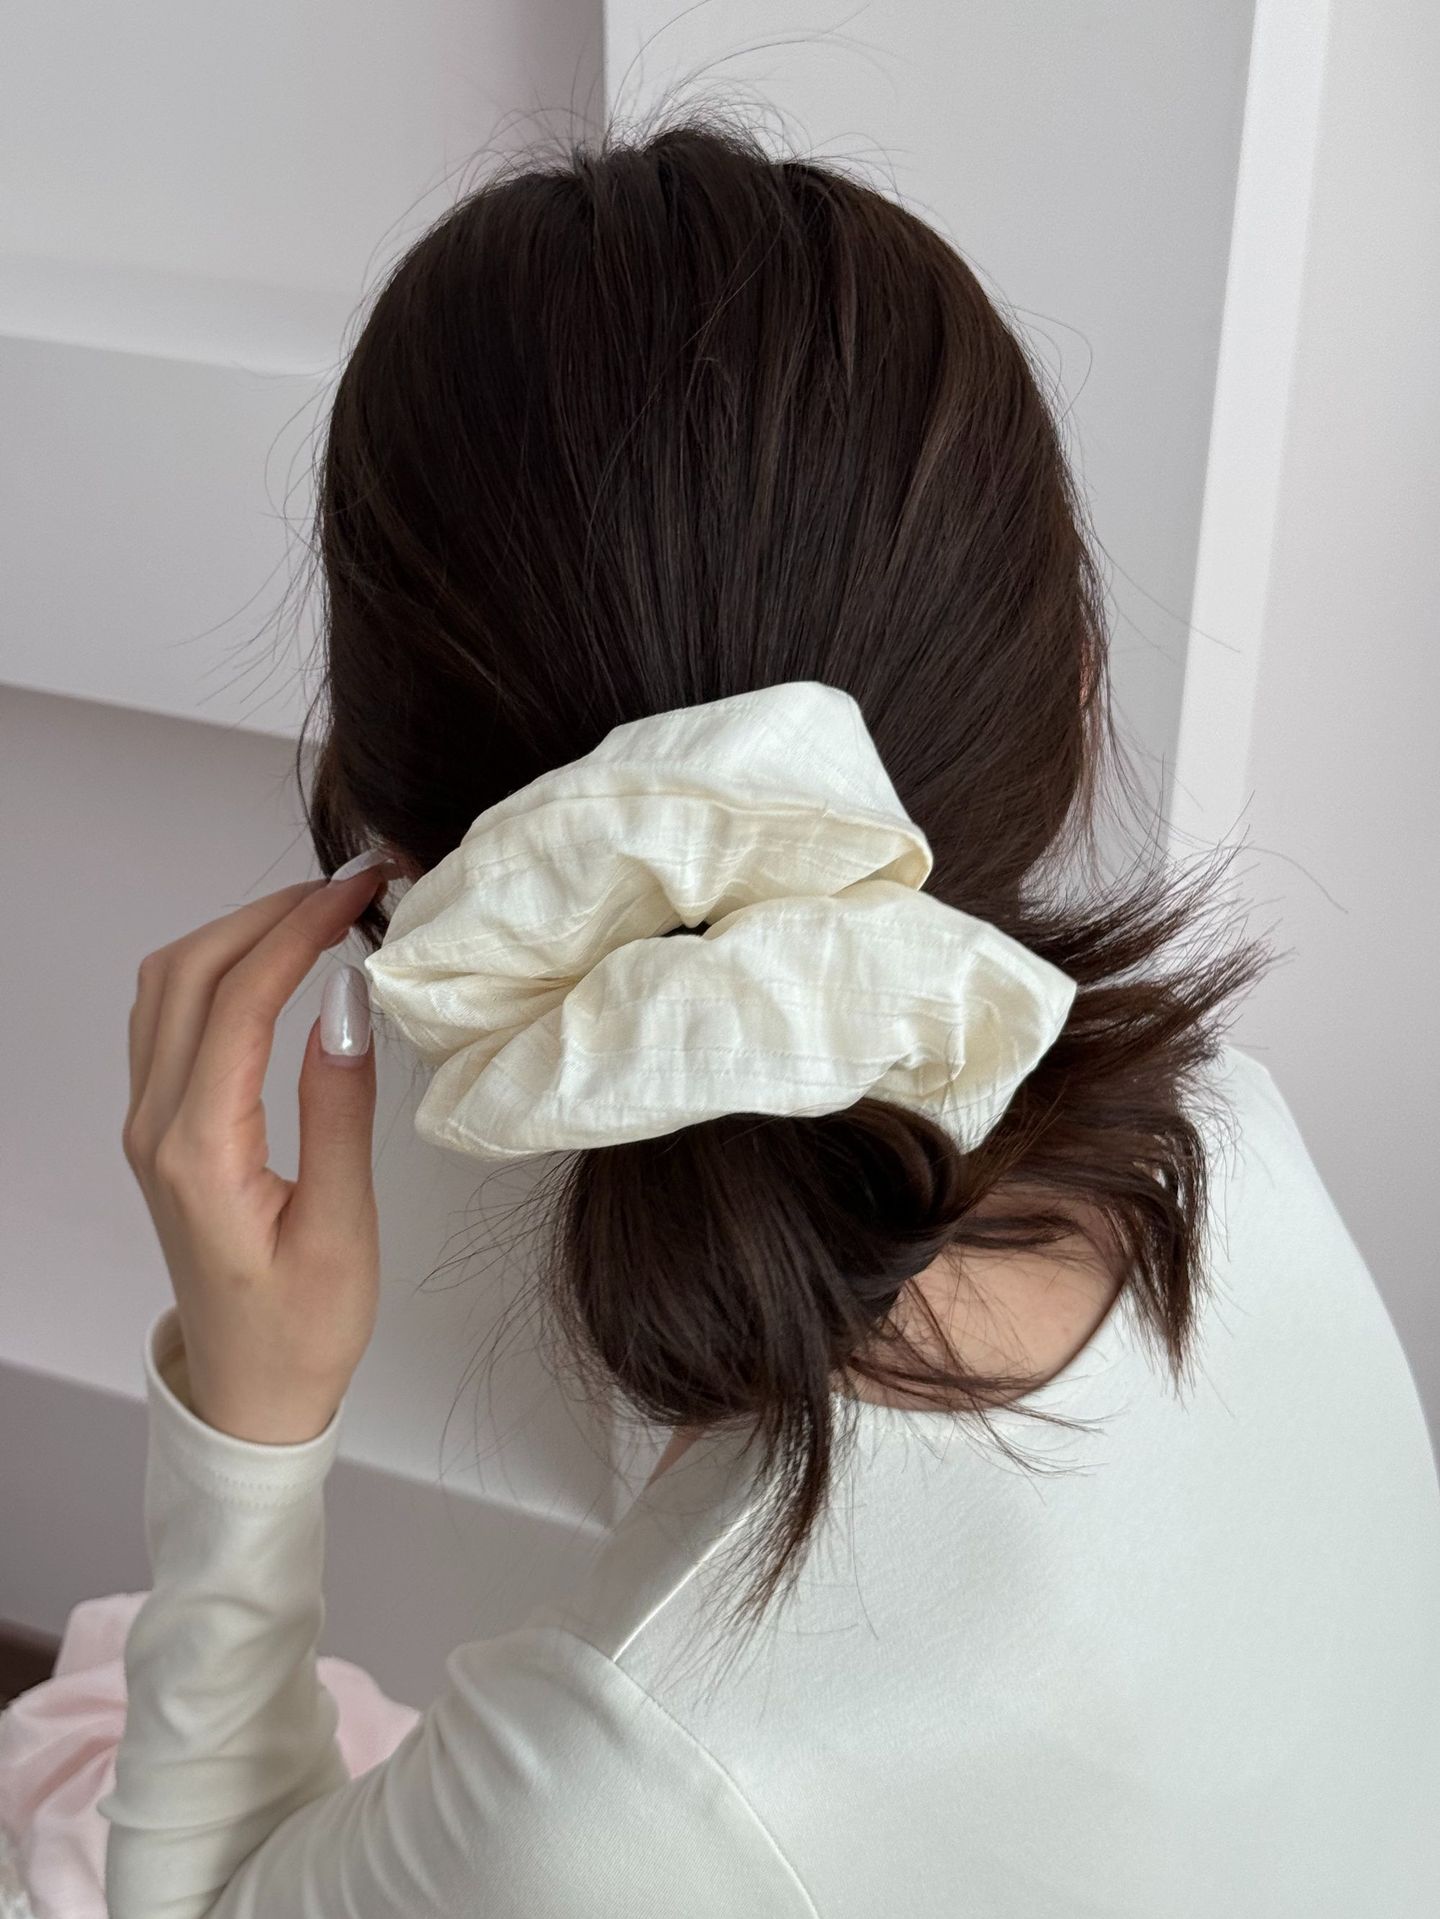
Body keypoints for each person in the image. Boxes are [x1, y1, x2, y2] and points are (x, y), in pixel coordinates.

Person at [3, 106, 1439, 1918]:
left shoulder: (621, 1788)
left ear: (407, 858)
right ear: (1069, 684)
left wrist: (249, 1411)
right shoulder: (1229, 1142)